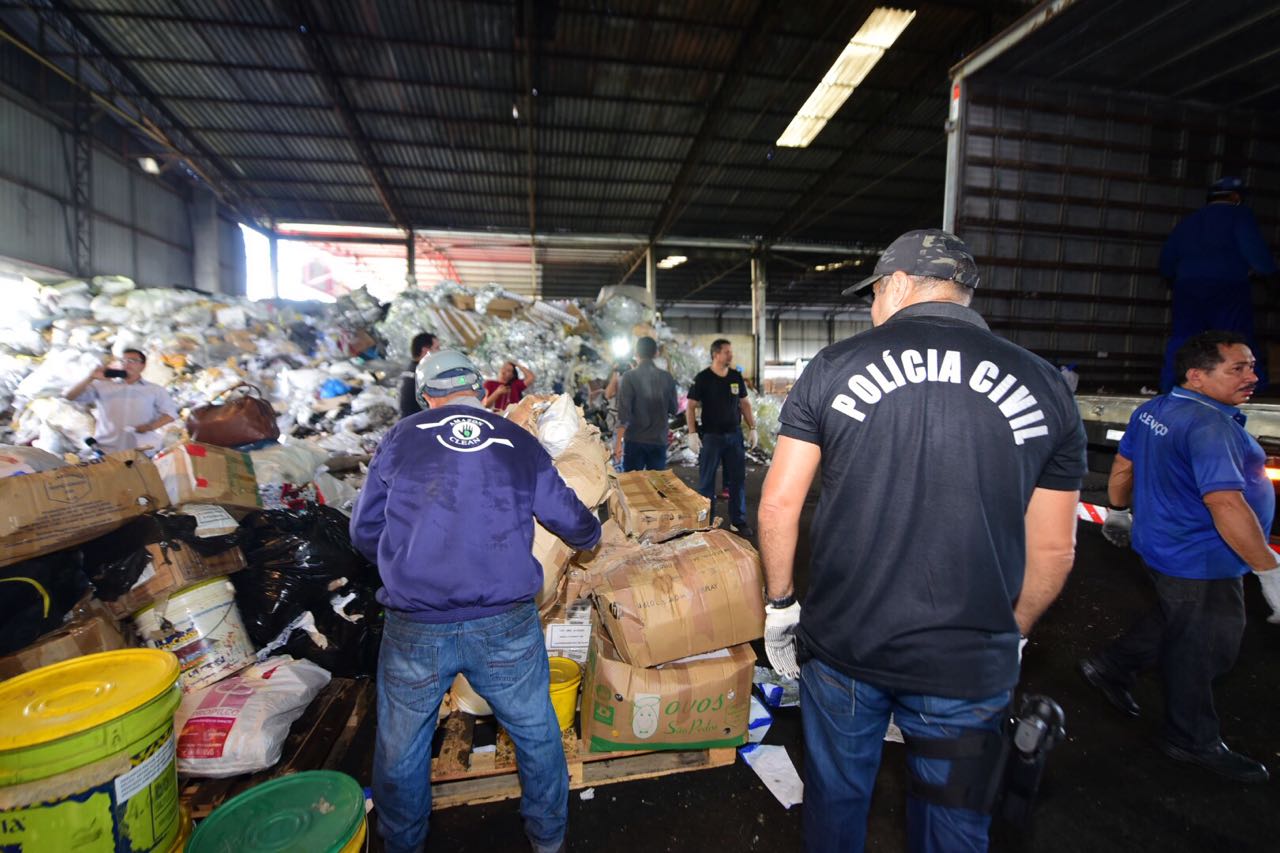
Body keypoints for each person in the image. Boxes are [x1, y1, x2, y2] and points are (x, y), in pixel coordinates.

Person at [758, 229, 1086, 853]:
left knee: (837, 797)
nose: (872, 309)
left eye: (874, 293)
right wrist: (1013, 631)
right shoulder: (1045, 386)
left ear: (901, 284)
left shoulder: (834, 367)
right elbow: (1055, 550)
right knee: (955, 816)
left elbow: (778, 504)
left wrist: (781, 605)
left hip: (847, 643)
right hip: (967, 657)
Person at [350, 350, 601, 853]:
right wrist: (592, 533)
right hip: (505, 623)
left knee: (401, 747)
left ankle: (402, 844)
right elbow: (569, 518)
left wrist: (408, 558)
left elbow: (363, 530)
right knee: (535, 733)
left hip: (415, 627)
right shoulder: (516, 440)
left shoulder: (401, 438)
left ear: (426, 396)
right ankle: (549, 839)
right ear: (479, 390)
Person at [1082, 331, 1278, 784]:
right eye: (1238, 368)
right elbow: (1226, 504)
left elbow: (1124, 466)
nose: (1253, 376)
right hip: (1201, 558)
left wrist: (1117, 511)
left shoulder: (1154, 410)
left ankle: (1110, 666)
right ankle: (1190, 738)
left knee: (1179, 617)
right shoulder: (1209, 427)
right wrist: (1270, 571)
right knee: (1206, 648)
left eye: (1251, 366)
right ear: (1196, 375)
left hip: (1162, 545)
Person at [1158, 177, 1276, 392]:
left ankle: (1172, 385)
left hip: (1187, 288)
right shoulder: (1240, 216)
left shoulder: (1189, 221)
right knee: (1234, 337)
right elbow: (1256, 254)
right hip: (1227, 286)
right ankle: (1250, 386)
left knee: (1184, 337)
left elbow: (1167, 260)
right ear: (1235, 197)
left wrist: (1172, 280)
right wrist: (1271, 277)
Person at [686, 339, 758, 538]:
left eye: (730, 351)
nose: (730, 355)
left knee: (737, 480)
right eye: (727, 352)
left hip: (734, 436)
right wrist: (692, 433)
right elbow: (690, 406)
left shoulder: (735, 377)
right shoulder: (703, 378)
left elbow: (745, 404)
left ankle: (738, 520)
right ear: (716, 354)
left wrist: (752, 428)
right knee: (706, 481)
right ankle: (707, 521)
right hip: (711, 437)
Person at [64, 348, 178, 454]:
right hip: (107, 450)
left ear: (143, 366)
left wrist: (150, 427)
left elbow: (170, 414)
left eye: (132, 360)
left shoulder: (154, 390)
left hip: (143, 449)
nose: (127, 364)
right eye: (123, 361)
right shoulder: (103, 385)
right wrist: (90, 377)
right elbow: (70, 397)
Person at [614, 336, 678, 471]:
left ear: (636, 354)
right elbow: (674, 409)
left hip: (634, 440)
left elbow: (623, 413)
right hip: (658, 440)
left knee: (634, 486)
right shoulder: (667, 377)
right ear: (656, 353)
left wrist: (618, 444)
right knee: (656, 487)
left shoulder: (629, 377)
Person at [398, 331, 438, 419]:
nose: (439, 352)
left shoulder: (411, 368)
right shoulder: (422, 374)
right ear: (426, 351)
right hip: (418, 423)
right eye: (437, 348)